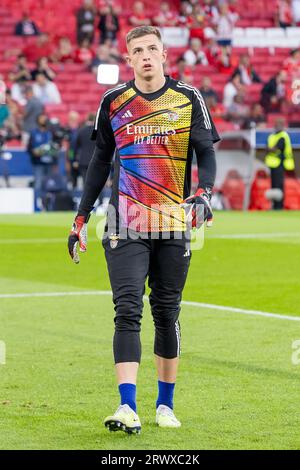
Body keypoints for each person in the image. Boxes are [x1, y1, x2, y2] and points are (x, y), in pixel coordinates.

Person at [67, 25, 220, 434]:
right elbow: (100, 161)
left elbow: (205, 151)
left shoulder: (188, 98)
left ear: (164, 54)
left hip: (173, 221)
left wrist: (204, 192)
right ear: (129, 58)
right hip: (124, 222)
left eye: (153, 48)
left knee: (167, 313)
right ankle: (126, 405)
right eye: (139, 50)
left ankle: (164, 406)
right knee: (127, 309)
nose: (147, 55)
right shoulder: (113, 101)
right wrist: (81, 217)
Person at [264, 117, 295, 209]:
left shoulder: (283, 136)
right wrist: (270, 149)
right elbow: (267, 148)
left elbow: (276, 148)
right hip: (271, 164)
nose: (278, 126)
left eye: (280, 124)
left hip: (280, 164)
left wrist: (270, 149)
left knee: (279, 185)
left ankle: (279, 206)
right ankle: (274, 205)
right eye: (277, 123)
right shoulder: (272, 136)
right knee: (273, 185)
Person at [28, 113, 54, 192]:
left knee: (48, 184)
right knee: (38, 183)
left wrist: (53, 152)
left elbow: (55, 146)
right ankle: (37, 202)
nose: (43, 121)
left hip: (49, 162)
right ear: (38, 121)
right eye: (41, 119)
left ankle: (47, 202)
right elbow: (29, 147)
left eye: (45, 119)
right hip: (38, 162)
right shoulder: (34, 133)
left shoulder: (50, 133)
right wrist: (34, 152)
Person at [74, 113, 96, 183]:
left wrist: (75, 160)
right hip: (96, 160)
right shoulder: (99, 131)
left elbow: (75, 147)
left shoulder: (81, 131)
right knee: (96, 183)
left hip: (83, 161)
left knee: (86, 183)